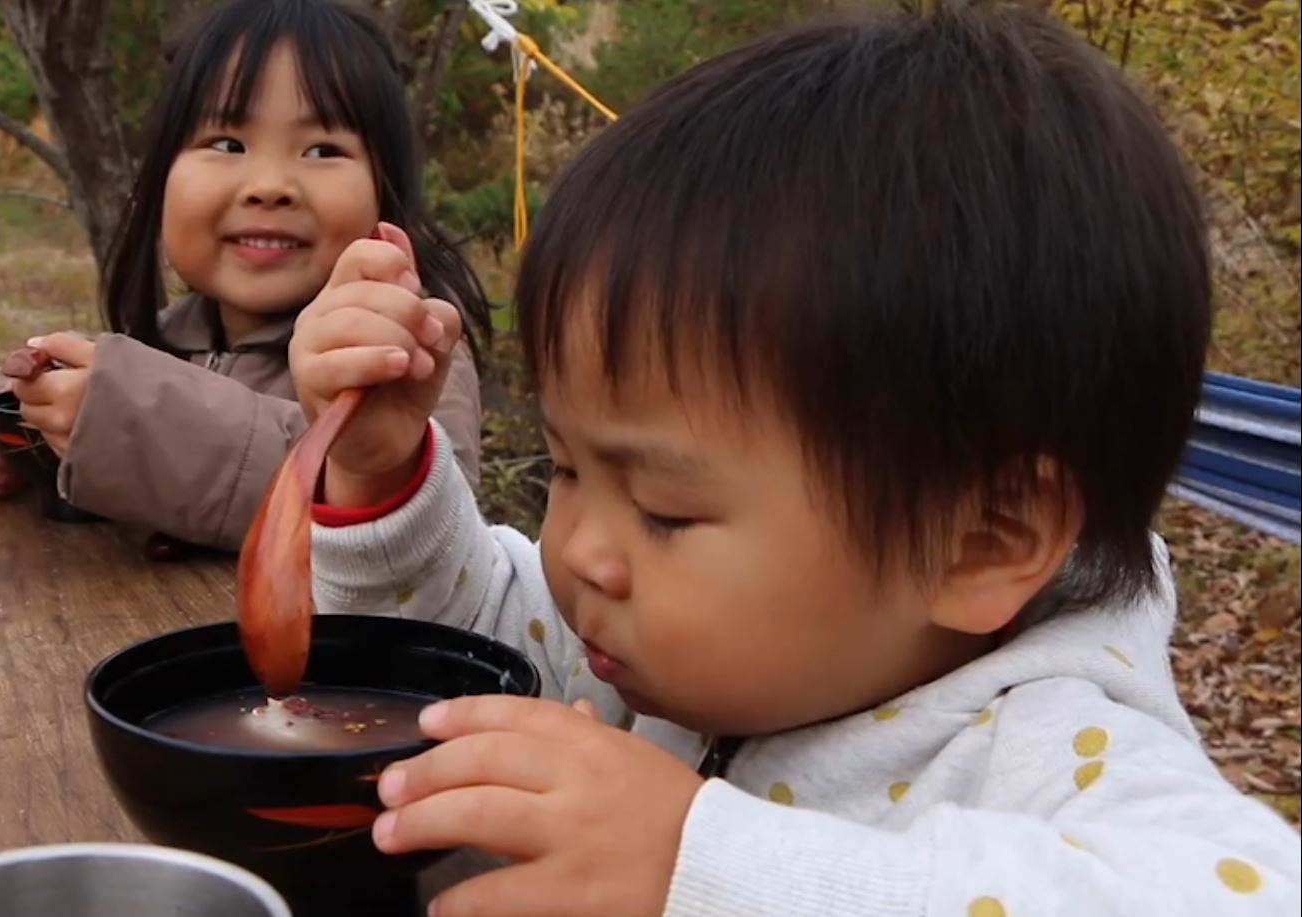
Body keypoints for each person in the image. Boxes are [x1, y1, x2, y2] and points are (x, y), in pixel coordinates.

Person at [288, 4, 1302, 915]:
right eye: (565, 468)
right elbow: (479, 664)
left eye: (667, 509)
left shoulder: (1045, 757)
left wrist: (707, 865)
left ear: (983, 539)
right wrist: (382, 479)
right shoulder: (660, 648)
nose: (579, 549)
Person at [0, 0, 490, 551]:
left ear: (386, 195)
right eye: (227, 144)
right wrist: (25, 428)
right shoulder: (172, 333)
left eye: (322, 149)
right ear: (157, 181)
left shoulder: (409, 356)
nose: (269, 185)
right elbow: (95, 388)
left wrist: (138, 428)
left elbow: (423, 532)